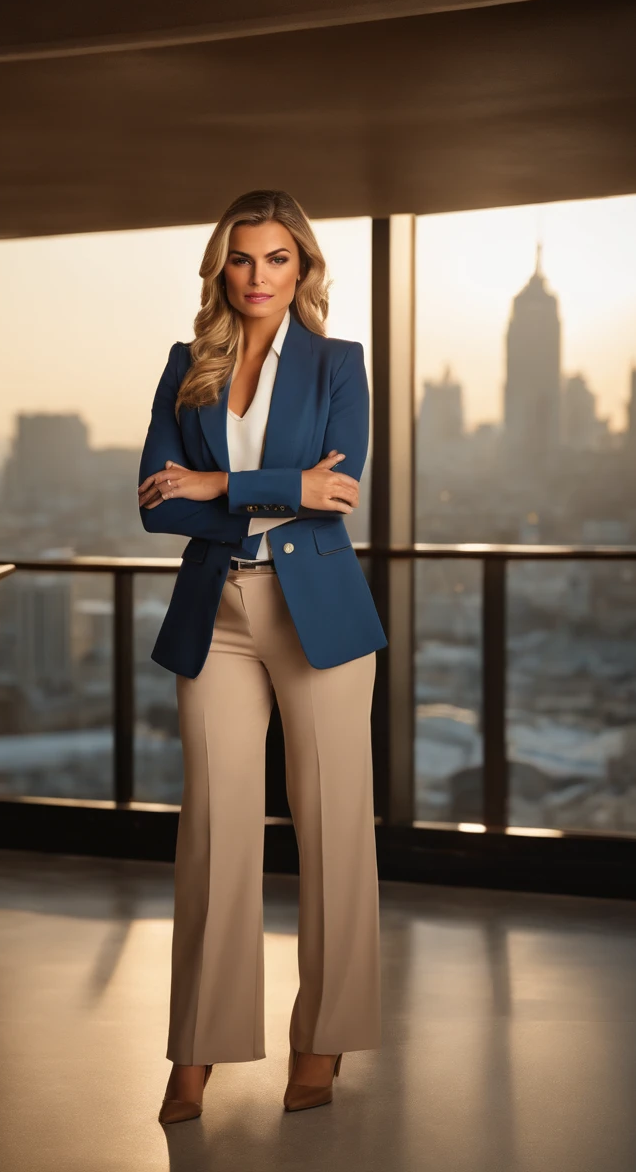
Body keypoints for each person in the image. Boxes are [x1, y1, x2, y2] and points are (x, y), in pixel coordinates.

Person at [137, 189, 387, 1123]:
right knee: (213, 832)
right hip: (219, 611)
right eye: (242, 259)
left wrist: (218, 481)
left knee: (332, 830)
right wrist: (268, 489)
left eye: (276, 259)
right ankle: (197, 1049)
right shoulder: (185, 366)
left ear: (302, 269)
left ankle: (322, 1035)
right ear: (221, 268)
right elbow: (158, 503)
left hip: (314, 611)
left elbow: (340, 489)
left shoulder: (337, 365)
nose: (257, 276)